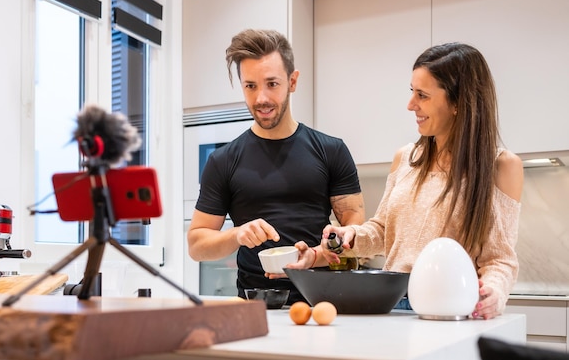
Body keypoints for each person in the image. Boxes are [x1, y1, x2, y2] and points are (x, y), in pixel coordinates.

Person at [290, 42, 524, 319]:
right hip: (391, 304)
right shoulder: (406, 158)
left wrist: (493, 292)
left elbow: (500, 259)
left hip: (450, 308)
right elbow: (382, 232)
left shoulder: (500, 166)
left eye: (422, 95)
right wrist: (349, 237)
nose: (411, 104)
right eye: (412, 92)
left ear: (459, 103)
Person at [187, 29, 365, 304]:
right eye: (251, 86)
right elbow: (197, 246)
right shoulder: (223, 161)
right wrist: (237, 234)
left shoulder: (331, 150)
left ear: (292, 82)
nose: (261, 98)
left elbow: (356, 229)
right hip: (253, 307)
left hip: (324, 303)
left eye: (272, 84)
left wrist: (319, 253)